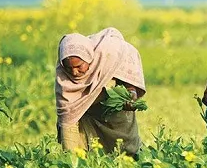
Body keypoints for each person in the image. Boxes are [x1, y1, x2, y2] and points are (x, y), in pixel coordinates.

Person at [55, 27, 146, 157]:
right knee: (78, 153)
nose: (74, 72)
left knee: (126, 148)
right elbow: (67, 115)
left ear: (88, 57)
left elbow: (127, 64)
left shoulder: (110, 53)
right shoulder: (63, 77)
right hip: (86, 115)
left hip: (111, 108)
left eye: (79, 66)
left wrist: (131, 93)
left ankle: (131, 160)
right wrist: (70, 155)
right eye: (69, 67)